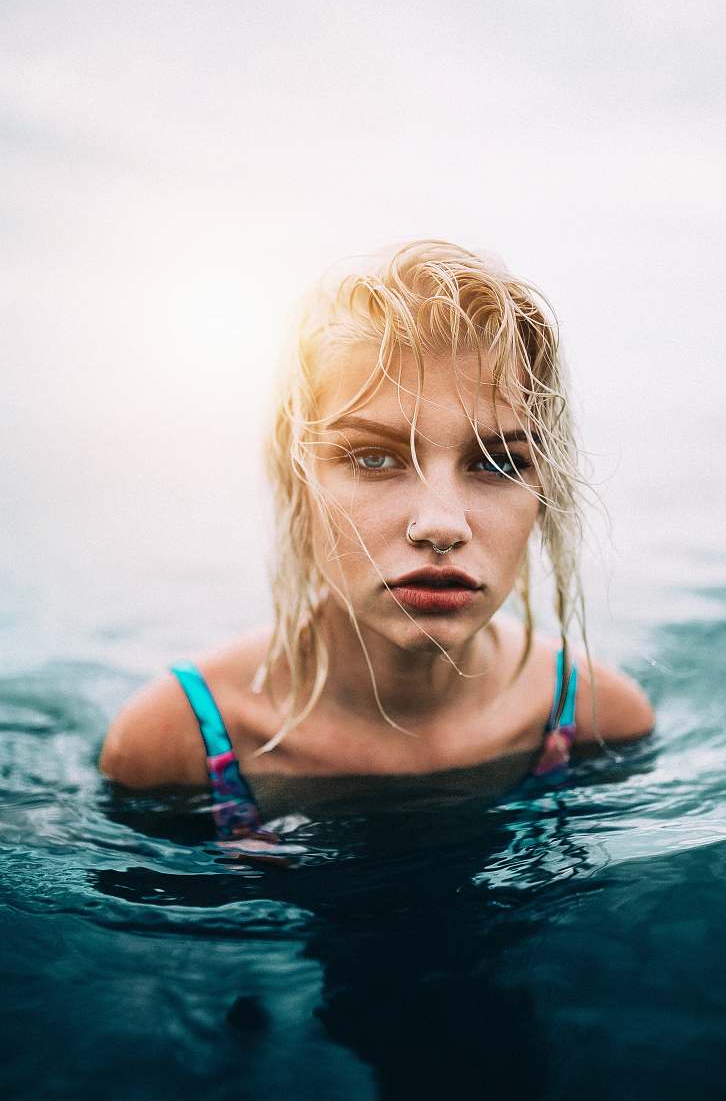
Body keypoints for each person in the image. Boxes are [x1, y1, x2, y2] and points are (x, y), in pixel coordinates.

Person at [100, 239, 654, 838]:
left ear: (544, 488)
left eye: (496, 464)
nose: (442, 526)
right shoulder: (173, 743)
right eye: (371, 457)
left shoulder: (600, 720)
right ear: (298, 477)